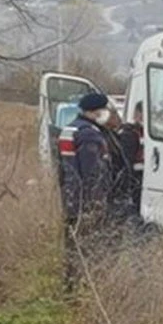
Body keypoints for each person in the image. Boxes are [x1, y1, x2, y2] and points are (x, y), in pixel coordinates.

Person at [59, 92, 131, 293]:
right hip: (87, 204)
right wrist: (97, 206)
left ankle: (70, 291)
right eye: (106, 110)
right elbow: (94, 174)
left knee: (73, 250)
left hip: (72, 202)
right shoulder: (90, 134)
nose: (108, 114)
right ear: (97, 111)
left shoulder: (70, 128)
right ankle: (84, 292)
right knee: (89, 249)